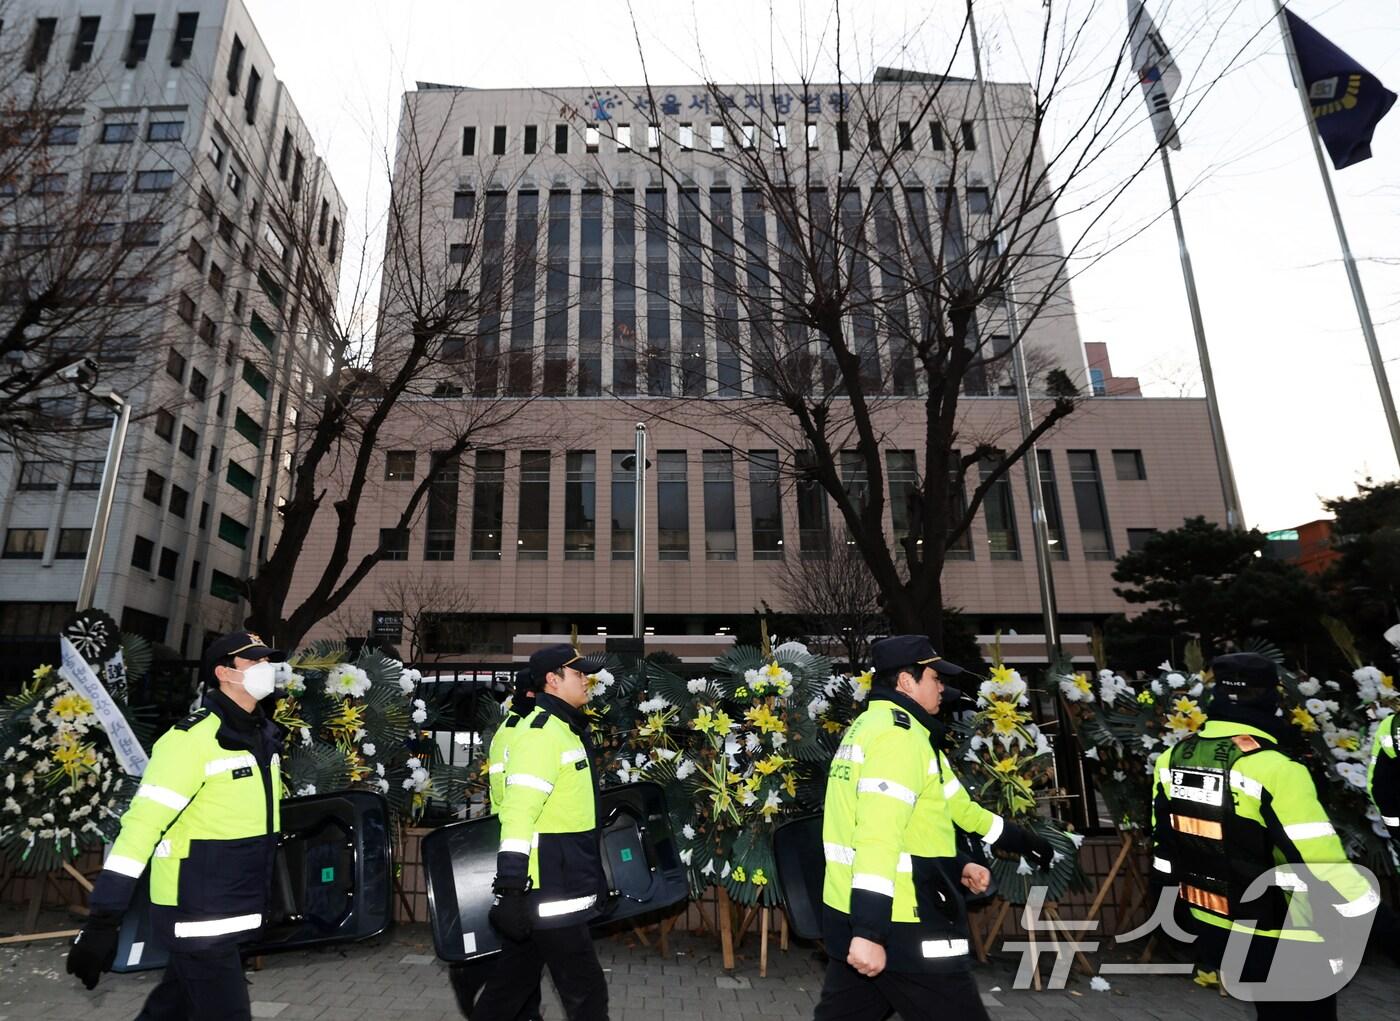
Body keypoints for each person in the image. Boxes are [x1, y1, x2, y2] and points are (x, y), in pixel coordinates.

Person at [814, 635, 1054, 1021]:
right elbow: (878, 834)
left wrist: (1016, 841)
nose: (942, 687)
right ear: (906, 682)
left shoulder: (880, 729)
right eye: (934, 678)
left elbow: (954, 809)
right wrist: (870, 932)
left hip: (858, 910)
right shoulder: (898, 739)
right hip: (902, 919)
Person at [66, 630, 288, 1021]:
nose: (266, 670)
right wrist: (103, 919)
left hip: (232, 906)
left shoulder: (260, 737)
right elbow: (141, 828)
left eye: (268, 662)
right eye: (255, 663)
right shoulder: (189, 741)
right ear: (224, 673)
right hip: (198, 912)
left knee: (173, 1007)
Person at [1150, 653, 1380, 1020]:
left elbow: (1165, 847)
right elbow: (1321, 863)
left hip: (1215, 925)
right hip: (1286, 935)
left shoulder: (1173, 757)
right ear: (1272, 698)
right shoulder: (1275, 768)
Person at [474, 643, 610, 1021]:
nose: (586, 679)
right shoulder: (542, 734)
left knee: (510, 990)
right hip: (549, 886)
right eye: (578, 673)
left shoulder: (550, 727)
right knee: (587, 993)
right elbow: (518, 813)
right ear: (553, 680)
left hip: (549, 881)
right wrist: (511, 888)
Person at [449, 667, 543, 1019]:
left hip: (517, 850)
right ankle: (475, 979)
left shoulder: (510, 727)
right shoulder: (533, 731)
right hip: (529, 857)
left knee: (525, 957)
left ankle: (524, 1012)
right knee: (522, 963)